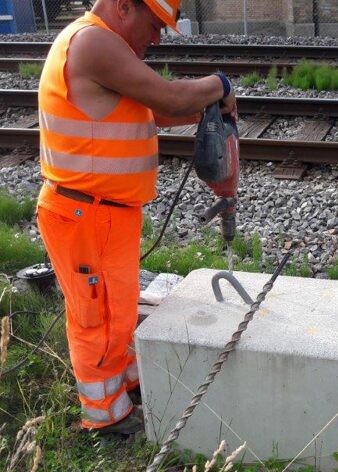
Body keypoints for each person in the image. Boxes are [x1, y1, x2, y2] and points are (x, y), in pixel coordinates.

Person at [36, 0, 237, 435]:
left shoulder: (109, 50)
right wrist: (219, 84)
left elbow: (159, 109)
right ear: (125, 6)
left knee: (117, 311)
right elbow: (167, 97)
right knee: (97, 317)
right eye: (154, 24)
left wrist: (206, 106)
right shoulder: (92, 43)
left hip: (104, 213)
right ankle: (106, 415)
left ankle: (125, 383)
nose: (158, 38)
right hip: (85, 212)